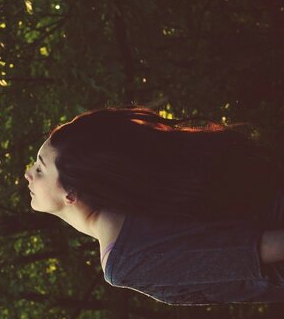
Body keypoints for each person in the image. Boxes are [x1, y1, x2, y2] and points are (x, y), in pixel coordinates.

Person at [24, 106, 284, 305]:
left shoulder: (125, 260)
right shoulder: (138, 199)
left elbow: (257, 249)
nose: (28, 174)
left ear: (71, 192)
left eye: (39, 168)